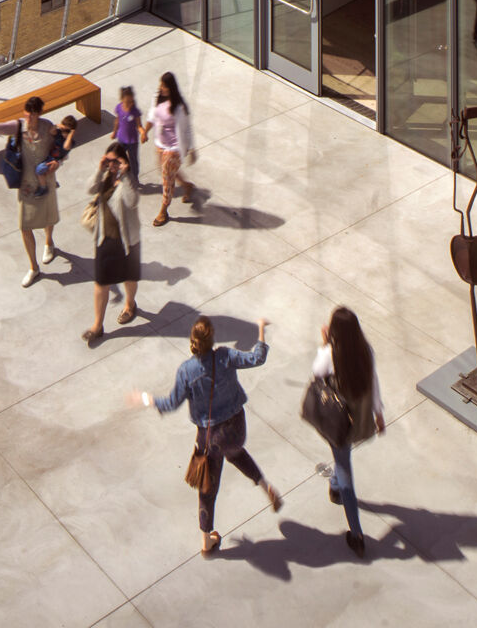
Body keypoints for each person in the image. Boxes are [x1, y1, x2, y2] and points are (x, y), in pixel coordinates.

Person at [131, 315, 280, 556]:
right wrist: (261, 329)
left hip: (210, 436)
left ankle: (207, 541)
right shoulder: (226, 356)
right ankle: (265, 485)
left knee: (207, 487)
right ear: (212, 340)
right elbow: (257, 358)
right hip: (236, 427)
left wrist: (146, 399)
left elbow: (170, 403)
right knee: (235, 451)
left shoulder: (186, 371)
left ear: (192, 341)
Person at [312, 306, 384, 557]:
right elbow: (374, 382)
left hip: (338, 420)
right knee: (341, 460)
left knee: (345, 473)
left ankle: (356, 535)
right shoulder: (366, 351)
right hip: (359, 417)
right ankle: (334, 487)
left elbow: (317, 373)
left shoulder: (332, 353)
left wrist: (324, 344)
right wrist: (379, 413)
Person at [83, 140, 142, 344]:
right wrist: (100, 171)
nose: (112, 166)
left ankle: (130, 305)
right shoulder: (105, 177)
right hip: (105, 238)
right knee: (101, 283)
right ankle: (97, 326)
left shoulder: (130, 181)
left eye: (116, 162)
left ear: (124, 162)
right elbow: (89, 189)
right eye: (109, 161)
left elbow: (132, 201)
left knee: (129, 279)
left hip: (127, 242)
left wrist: (125, 176)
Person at [14, 94, 61, 285]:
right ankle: (33, 267)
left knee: (48, 218)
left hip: (45, 181)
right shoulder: (18, 130)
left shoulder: (48, 127)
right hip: (26, 185)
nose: (30, 118)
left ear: (39, 114)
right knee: (24, 225)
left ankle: (49, 242)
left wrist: (55, 164)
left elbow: (59, 152)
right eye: (28, 114)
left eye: (34, 114)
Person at [150, 71, 200, 224]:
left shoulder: (179, 107)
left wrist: (191, 148)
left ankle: (163, 211)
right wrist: (144, 130)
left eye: (164, 85)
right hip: (161, 144)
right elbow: (152, 116)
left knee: (167, 179)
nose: (161, 87)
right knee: (168, 173)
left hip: (175, 148)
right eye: (161, 84)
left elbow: (187, 128)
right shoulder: (157, 97)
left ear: (171, 87)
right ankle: (187, 186)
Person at [112, 85, 144, 187]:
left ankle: (135, 178)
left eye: (131, 101)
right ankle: (118, 177)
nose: (130, 104)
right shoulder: (119, 108)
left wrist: (143, 132)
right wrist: (114, 132)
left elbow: (139, 126)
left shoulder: (135, 112)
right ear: (122, 100)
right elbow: (117, 121)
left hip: (132, 141)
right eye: (127, 102)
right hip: (121, 139)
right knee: (119, 158)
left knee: (133, 160)